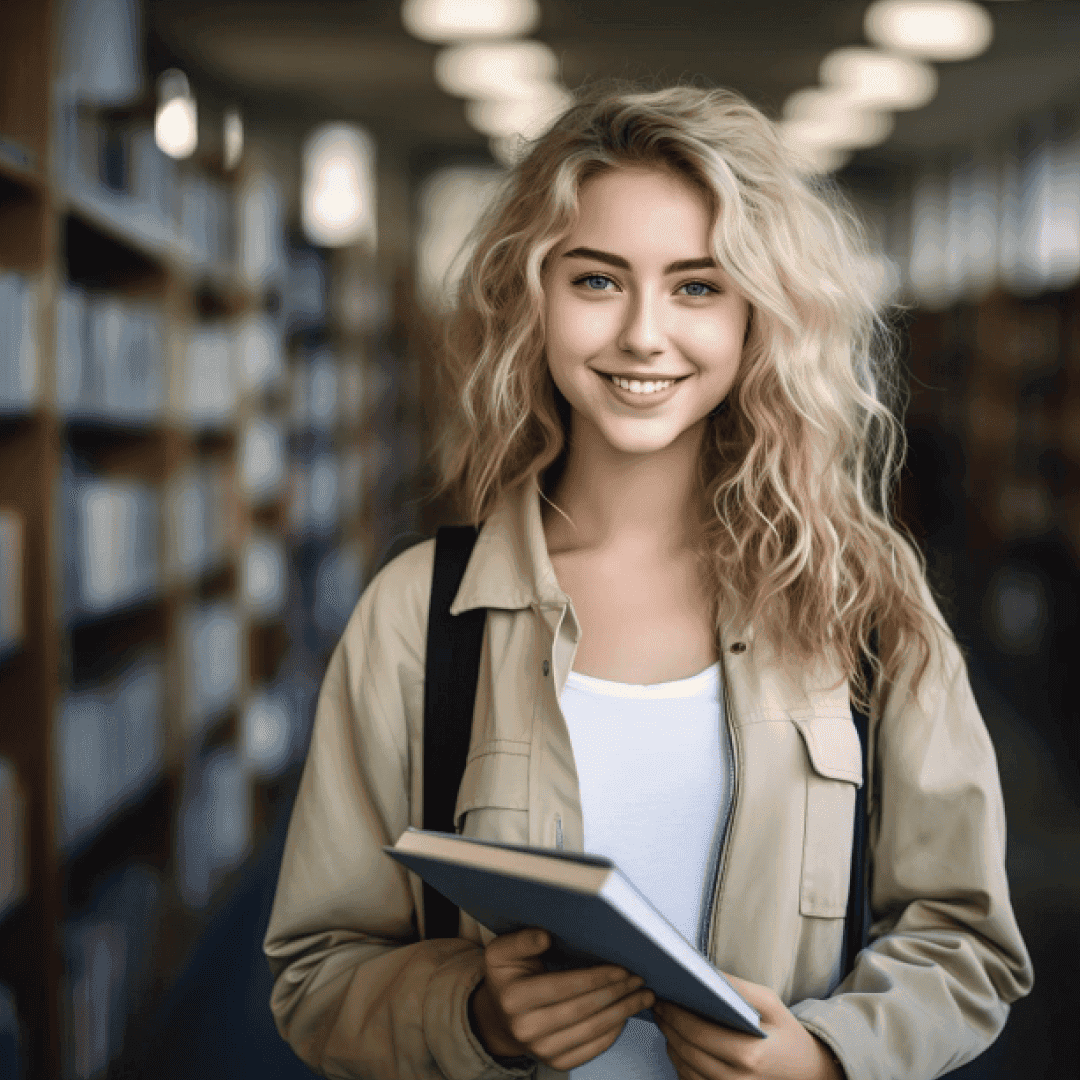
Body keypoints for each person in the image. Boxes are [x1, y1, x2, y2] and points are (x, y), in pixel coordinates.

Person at [263, 82, 1033, 1080]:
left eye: (697, 287)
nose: (642, 333)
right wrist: (473, 1016)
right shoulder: (418, 613)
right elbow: (317, 975)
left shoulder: (864, 600)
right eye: (597, 280)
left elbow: (966, 944)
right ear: (533, 298)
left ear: (760, 314)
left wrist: (827, 1058)